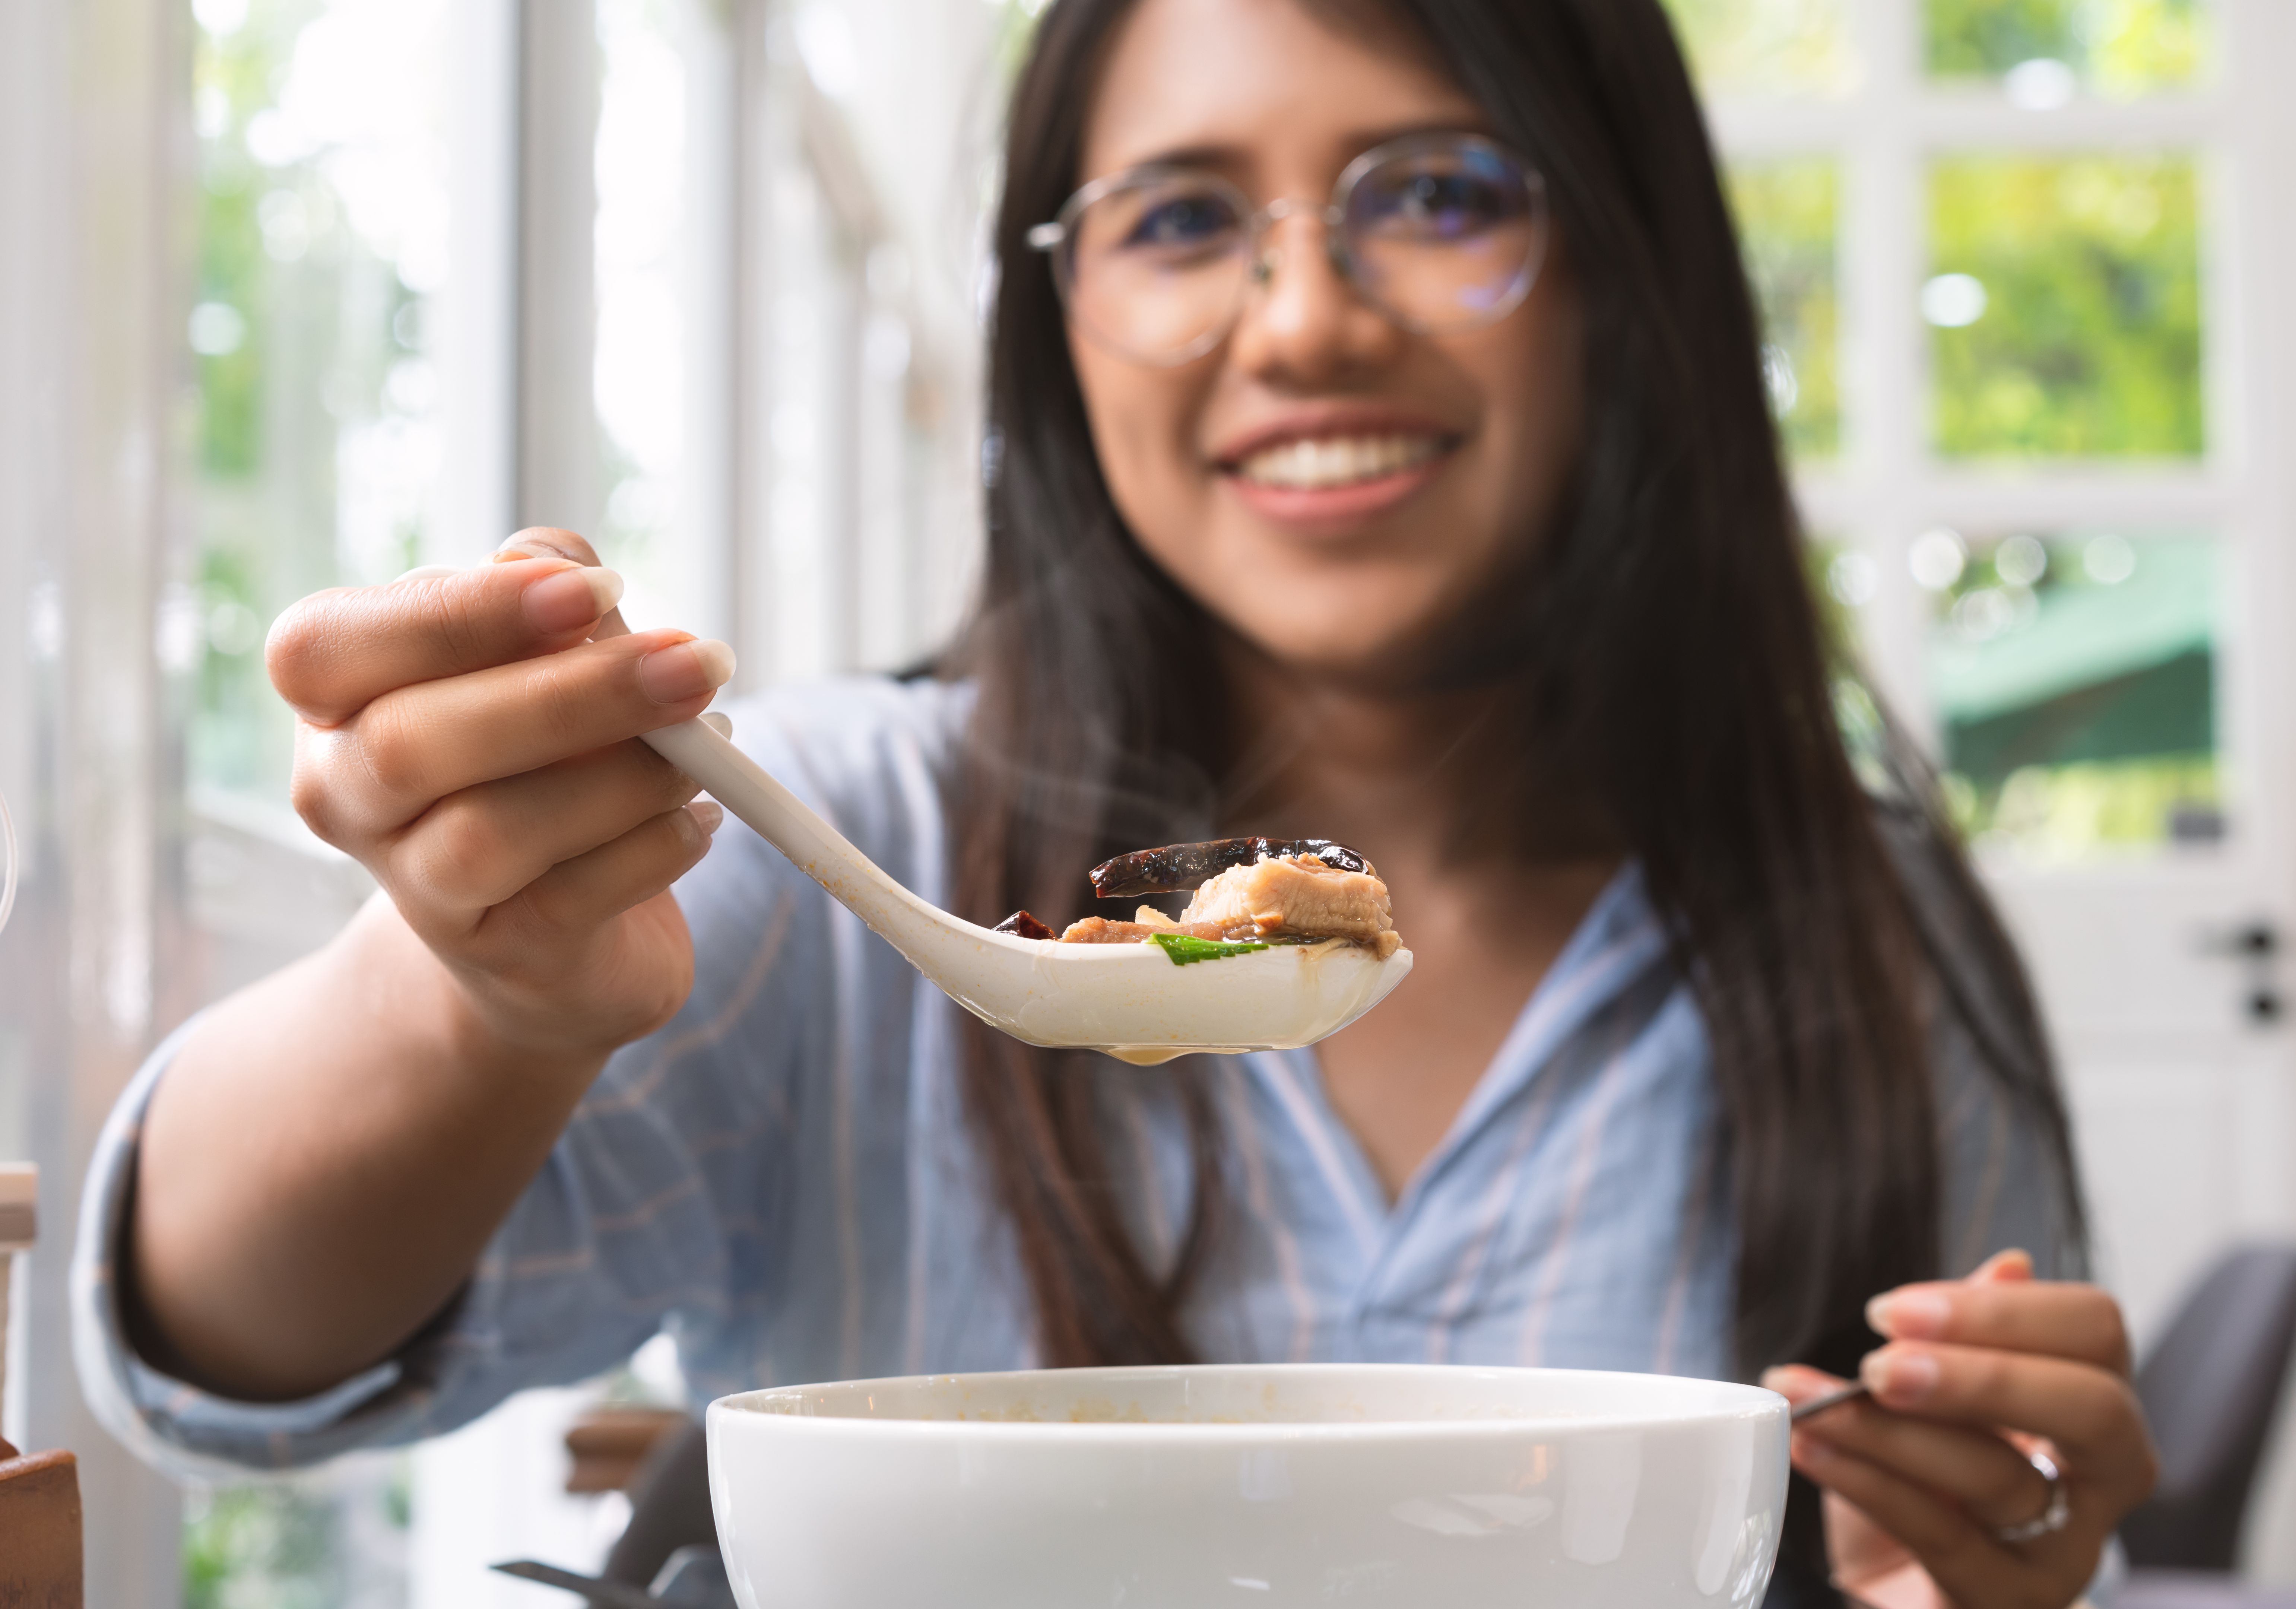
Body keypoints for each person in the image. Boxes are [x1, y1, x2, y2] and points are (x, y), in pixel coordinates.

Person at [76, 0, 2158, 1605]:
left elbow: (1969, 1525)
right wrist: (477, 992)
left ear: (1627, 273)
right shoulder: (830, 832)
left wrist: (1986, 1527)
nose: (1311, 317)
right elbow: (223, 1351)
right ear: (1057, 324)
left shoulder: (1859, 928)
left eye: (1439, 192)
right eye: (1178, 220)